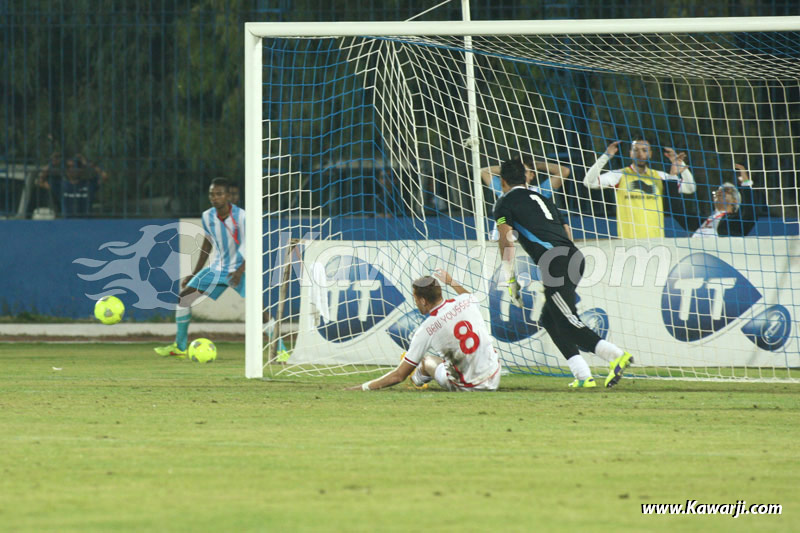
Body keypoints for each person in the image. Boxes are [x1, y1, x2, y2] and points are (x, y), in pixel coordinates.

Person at [494, 158, 633, 388]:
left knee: (567, 321)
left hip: (556, 262)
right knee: (550, 318)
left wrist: (510, 277)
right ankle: (582, 375)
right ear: (527, 177)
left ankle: (615, 356)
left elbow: (506, 239)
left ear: (503, 181)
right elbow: (566, 229)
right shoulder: (543, 198)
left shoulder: (504, 203)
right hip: (572, 257)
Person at [154, 177, 288, 359]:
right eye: (211, 194)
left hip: (241, 270)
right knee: (184, 298)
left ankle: (280, 350)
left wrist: (240, 271)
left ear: (228, 196)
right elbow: (207, 245)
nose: (214, 198)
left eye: (219, 194)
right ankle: (180, 347)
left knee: (259, 309)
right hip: (216, 269)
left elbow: (253, 245)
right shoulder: (207, 216)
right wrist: (194, 273)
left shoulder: (242, 217)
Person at [349, 270, 501, 392]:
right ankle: (419, 376)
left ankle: (417, 379)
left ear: (422, 300)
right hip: (494, 376)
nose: (416, 303)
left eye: (415, 299)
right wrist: (451, 282)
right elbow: (468, 296)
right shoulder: (467, 301)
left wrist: (362, 387)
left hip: (468, 387)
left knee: (427, 361)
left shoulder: (427, 328)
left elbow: (398, 376)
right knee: (451, 358)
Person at [582, 139, 697, 238]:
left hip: (657, 240)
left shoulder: (660, 176)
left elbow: (690, 188)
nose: (640, 154)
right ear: (630, 153)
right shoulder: (619, 175)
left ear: (650, 154)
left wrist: (680, 164)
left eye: (644, 150)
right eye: (636, 150)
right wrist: (605, 157)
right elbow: (588, 182)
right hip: (627, 241)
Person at [482, 155, 571, 240]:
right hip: (501, 243)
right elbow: (484, 172)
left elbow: (564, 171)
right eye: (518, 170)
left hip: (530, 246)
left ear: (532, 175)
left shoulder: (539, 192)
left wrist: (536, 164)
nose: (519, 173)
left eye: (523, 171)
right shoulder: (504, 188)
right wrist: (511, 168)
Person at [671, 164, 759, 238]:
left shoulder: (736, 224)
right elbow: (676, 210)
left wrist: (746, 183)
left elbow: (751, 211)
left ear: (735, 201)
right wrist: (672, 177)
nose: (720, 192)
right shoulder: (702, 220)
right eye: (718, 190)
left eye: (726, 191)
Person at [37, 152, 109, 217]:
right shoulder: (61, 185)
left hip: (86, 225)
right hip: (68, 224)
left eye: (75, 166)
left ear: (81, 169)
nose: (72, 169)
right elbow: (39, 181)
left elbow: (104, 176)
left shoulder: (89, 184)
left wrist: (88, 163)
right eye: (68, 167)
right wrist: (51, 164)